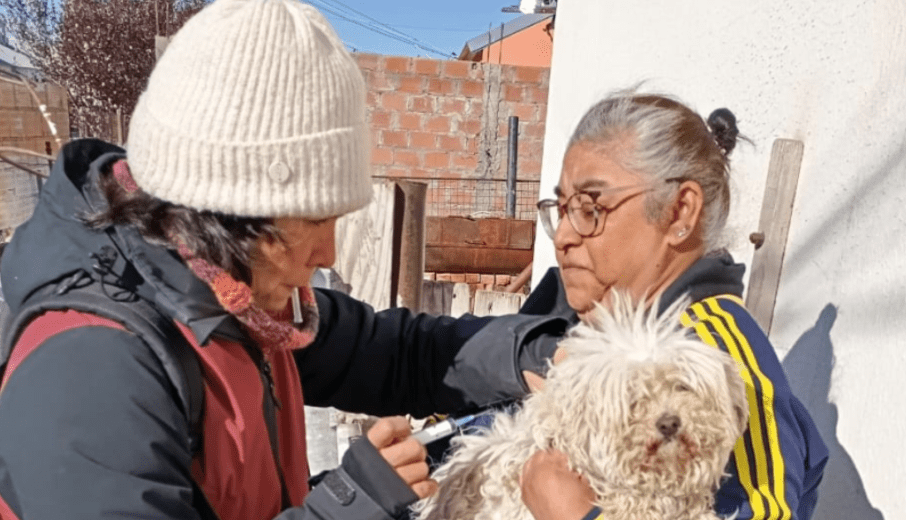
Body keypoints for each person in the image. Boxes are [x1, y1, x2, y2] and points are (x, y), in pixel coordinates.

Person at [0, 1, 547, 518]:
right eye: (313, 219)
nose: (329, 251)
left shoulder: (241, 308)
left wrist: (533, 352)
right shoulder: (91, 366)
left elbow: (399, 353)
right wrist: (353, 502)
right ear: (225, 209)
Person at [307, 92, 829, 520]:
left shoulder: (719, 358)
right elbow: (423, 353)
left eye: (591, 208)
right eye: (561, 209)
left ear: (679, 212)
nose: (564, 238)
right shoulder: (575, 323)